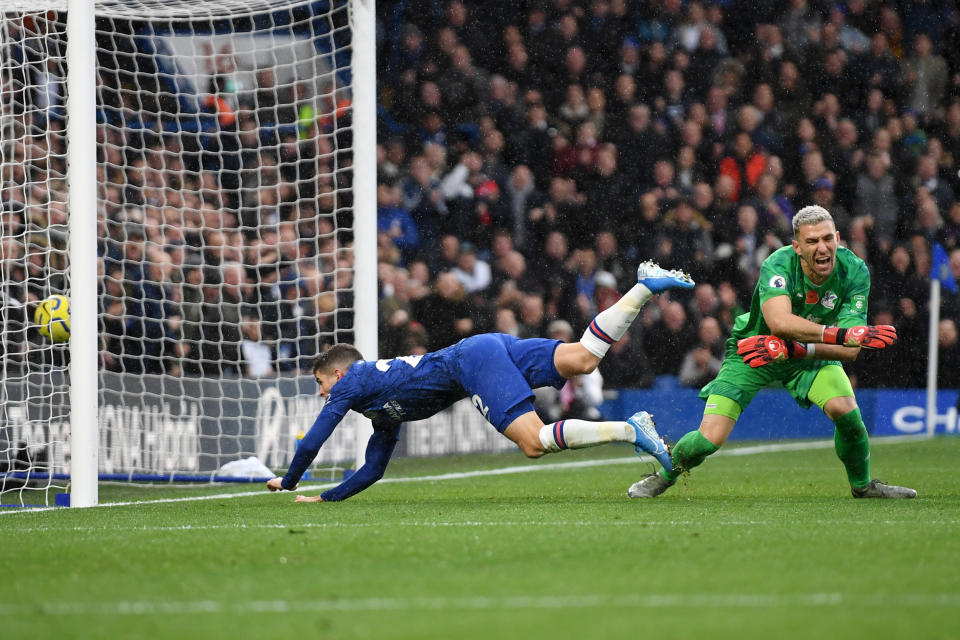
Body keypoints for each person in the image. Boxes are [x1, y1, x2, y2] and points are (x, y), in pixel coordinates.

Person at [266, 262, 694, 502]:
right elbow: (374, 468)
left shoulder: (351, 382)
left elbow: (313, 440)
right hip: (484, 348)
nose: (323, 393)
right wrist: (326, 498)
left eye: (322, 383)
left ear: (337, 375)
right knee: (582, 358)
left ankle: (629, 429)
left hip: (469, 362)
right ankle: (642, 287)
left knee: (532, 442)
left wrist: (288, 482)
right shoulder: (377, 403)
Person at [628, 206, 917, 500]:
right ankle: (666, 475)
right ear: (797, 247)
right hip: (756, 350)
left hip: (806, 356)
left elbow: (851, 351)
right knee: (708, 440)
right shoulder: (778, 265)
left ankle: (862, 485)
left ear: (839, 238)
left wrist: (807, 346)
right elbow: (780, 323)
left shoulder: (854, 270)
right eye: (813, 241)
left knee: (849, 418)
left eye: (828, 239)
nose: (823, 247)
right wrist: (841, 335)